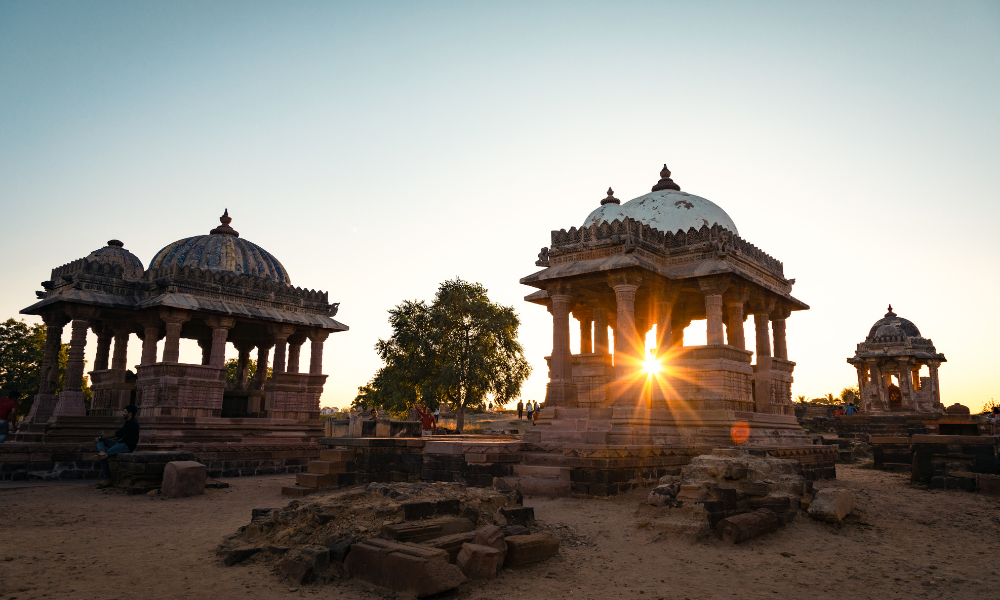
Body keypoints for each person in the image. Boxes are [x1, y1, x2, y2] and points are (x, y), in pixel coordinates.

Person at [87, 404, 140, 488]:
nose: (123, 413)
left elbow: (118, 433)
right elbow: (119, 436)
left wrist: (102, 437)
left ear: (130, 413)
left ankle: (107, 478)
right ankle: (102, 452)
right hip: (121, 443)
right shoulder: (128, 422)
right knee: (101, 441)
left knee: (102, 457)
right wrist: (101, 438)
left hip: (126, 446)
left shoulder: (132, 423)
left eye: (125, 412)